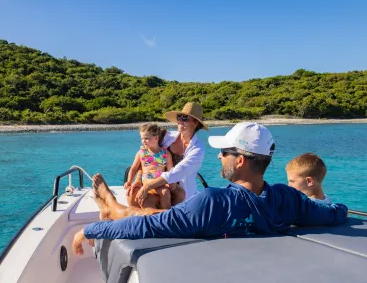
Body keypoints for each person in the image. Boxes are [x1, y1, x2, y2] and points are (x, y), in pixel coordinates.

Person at [73, 122, 348, 256]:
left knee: (150, 217)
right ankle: (116, 207)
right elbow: (333, 214)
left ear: (239, 160)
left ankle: (114, 209)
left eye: (224, 152)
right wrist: (339, 207)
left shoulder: (213, 203)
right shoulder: (287, 198)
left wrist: (89, 230)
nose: (219, 156)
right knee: (153, 213)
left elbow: (146, 228)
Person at [126, 102, 209, 208]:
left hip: (180, 194)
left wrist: (148, 186)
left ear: (195, 123)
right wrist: (138, 179)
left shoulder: (197, 150)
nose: (180, 120)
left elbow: (176, 172)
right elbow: (145, 157)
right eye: (179, 117)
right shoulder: (165, 136)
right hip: (154, 183)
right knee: (131, 195)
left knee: (169, 198)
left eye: (185, 118)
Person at [124, 124, 174, 209]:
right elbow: (134, 168)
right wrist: (129, 181)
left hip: (160, 180)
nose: (143, 141)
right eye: (142, 138)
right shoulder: (141, 153)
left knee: (165, 192)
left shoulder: (165, 153)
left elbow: (170, 169)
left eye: (147, 138)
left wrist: (173, 182)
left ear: (156, 138)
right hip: (147, 180)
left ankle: (166, 214)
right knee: (163, 192)